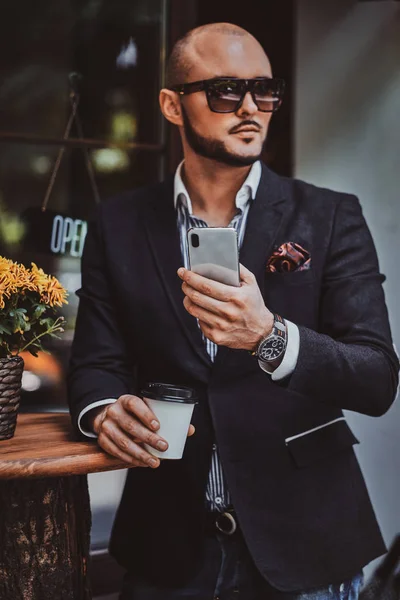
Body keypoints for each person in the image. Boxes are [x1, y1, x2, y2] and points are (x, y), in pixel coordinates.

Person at [68, 22, 399, 600]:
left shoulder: (329, 217)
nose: (250, 107)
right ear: (172, 105)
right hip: (167, 543)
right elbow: (97, 362)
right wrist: (101, 413)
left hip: (306, 541)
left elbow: (376, 378)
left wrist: (269, 336)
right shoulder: (118, 224)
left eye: (265, 90)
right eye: (224, 90)